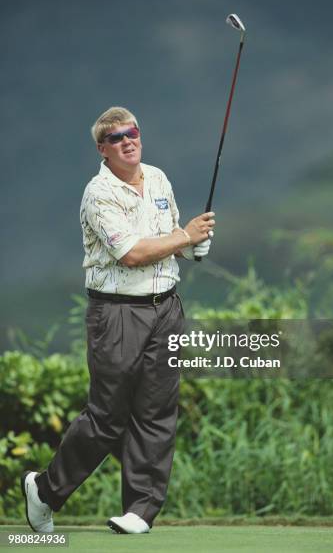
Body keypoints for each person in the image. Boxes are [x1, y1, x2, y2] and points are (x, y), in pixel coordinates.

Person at [21, 106, 215, 534]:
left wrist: (193, 243)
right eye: (116, 138)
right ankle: (46, 491)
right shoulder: (99, 193)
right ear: (102, 149)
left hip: (166, 307)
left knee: (157, 411)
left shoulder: (159, 178)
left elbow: (170, 239)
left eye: (133, 133)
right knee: (107, 416)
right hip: (116, 312)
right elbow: (130, 253)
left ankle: (140, 511)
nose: (128, 141)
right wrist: (185, 237)